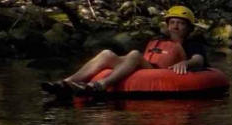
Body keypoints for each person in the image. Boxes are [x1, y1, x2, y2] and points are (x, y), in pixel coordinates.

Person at [50, 6, 212, 92]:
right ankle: (66, 82)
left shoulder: (193, 43)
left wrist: (186, 64)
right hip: (148, 68)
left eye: (181, 23)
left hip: (162, 73)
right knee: (107, 54)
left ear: (189, 27)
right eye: (172, 22)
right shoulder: (160, 41)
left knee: (134, 54)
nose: (175, 26)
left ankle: (102, 85)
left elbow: (198, 59)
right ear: (168, 25)